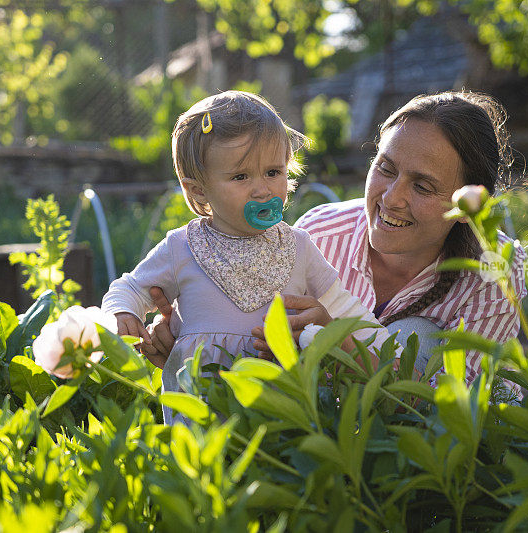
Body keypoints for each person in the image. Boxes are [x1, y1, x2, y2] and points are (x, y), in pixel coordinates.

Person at [146, 90, 528, 388]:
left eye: (424, 186)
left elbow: (458, 404)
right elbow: (252, 330)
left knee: (419, 338)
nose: (392, 198)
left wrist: (345, 349)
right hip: (318, 425)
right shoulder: (320, 233)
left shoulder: (493, 271)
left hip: (417, 448)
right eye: (386, 168)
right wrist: (187, 337)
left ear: (468, 203)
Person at [101, 91, 397, 423]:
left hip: (280, 411)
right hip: (201, 409)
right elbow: (130, 287)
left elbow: (344, 309)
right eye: (241, 177)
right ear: (199, 190)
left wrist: (385, 351)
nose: (262, 189)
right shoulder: (182, 247)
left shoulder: (299, 246)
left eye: (273, 172)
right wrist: (123, 312)